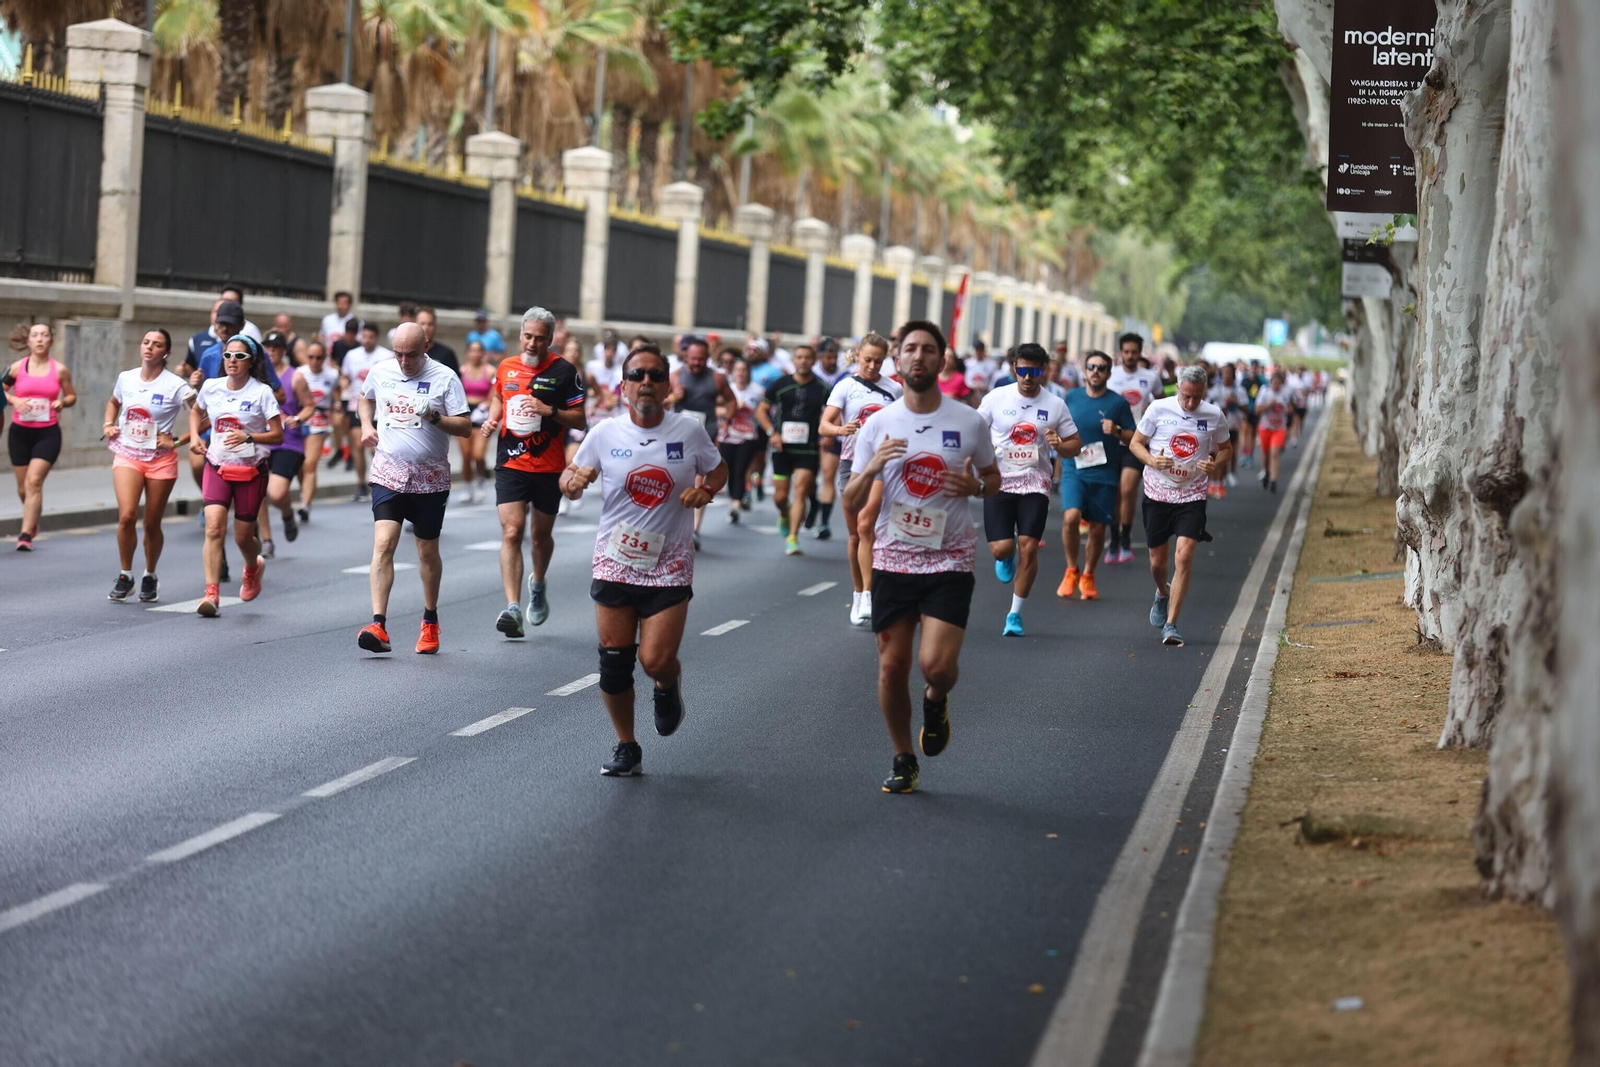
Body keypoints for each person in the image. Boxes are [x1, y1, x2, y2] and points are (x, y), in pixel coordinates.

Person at [844, 320, 1000, 794]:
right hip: (892, 561)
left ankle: (936, 700)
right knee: (891, 667)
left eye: (928, 349)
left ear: (942, 359)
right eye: (909, 349)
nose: (918, 356)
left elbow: (994, 479)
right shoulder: (879, 424)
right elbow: (850, 501)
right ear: (897, 361)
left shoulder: (969, 420)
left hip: (949, 559)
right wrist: (871, 466)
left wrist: (975, 486)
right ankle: (903, 756)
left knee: (937, 667)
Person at [559, 342, 728, 777]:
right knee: (614, 663)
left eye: (655, 375)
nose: (646, 382)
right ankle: (626, 746)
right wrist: (572, 482)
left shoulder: (689, 430)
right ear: (623, 386)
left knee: (653, 660)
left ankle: (666, 683)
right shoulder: (604, 434)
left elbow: (718, 467)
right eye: (638, 376)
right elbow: (572, 474)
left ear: (668, 387)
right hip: (615, 559)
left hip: (669, 562)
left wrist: (705, 490)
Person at [355, 323, 472, 655]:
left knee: (426, 552)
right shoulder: (381, 370)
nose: (404, 361)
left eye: (411, 355)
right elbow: (365, 398)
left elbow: (465, 427)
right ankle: (378, 624)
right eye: (398, 354)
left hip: (430, 478)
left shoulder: (445, 377)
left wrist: (434, 417)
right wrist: (366, 425)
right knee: (383, 544)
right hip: (388, 471)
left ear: (427, 347)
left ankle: (430, 619)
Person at [481, 307, 586, 638]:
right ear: (521, 335)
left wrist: (548, 410)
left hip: (549, 466)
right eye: (528, 336)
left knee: (540, 537)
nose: (532, 343)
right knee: (512, 532)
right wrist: (493, 417)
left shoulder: (564, 371)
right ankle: (513, 607)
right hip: (511, 462)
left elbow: (580, 419)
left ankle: (537, 583)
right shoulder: (506, 366)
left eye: (540, 338)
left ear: (550, 339)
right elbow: (500, 395)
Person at [977, 342, 1081, 636]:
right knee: (1002, 548)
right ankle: (1004, 554)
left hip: (1035, 482)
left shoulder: (1055, 405)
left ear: (1043, 371)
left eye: (1034, 371)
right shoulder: (997, 398)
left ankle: (1014, 615)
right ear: (1014, 369)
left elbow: (1076, 444)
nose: (1027, 377)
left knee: (1030, 547)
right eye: (1022, 370)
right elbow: (974, 429)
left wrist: (1060, 445)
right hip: (999, 479)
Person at [1130, 364, 1232, 647]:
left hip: (1192, 495)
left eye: (1195, 398)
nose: (1189, 403)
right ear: (1177, 387)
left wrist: (1214, 464)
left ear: (1203, 393)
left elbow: (1226, 449)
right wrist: (1152, 461)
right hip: (1157, 493)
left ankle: (1172, 625)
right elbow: (1136, 444)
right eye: (1186, 396)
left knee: (1184, 557)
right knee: (1157, 562)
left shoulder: (1213, 415)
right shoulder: (1158, 409)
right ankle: (1162, 592)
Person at [189, 336, 282, 615]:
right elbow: (196, 411)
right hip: (217, 464)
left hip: (251, 470)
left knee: (243, 536)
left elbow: (278, 435)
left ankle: (253, 567)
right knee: (214, 527)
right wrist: (194, 436)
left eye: (240, 356)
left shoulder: (262, 392)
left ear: (252, 361)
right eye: (228, 355)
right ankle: (211, 594)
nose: (232, 361)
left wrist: (249, 436)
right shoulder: (211, 386)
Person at [104, 329, 191, 600]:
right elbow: (114, 401)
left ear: (166, 353)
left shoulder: (175, 385)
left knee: (152, 523)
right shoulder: (126, 378)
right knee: (127, 515)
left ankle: (150, 575)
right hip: (127, 453)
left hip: (160, 461)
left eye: (156, 345)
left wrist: (177, 441)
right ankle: (125, 574)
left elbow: (205, 416)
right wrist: (108, 423)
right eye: (146, 342)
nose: (149, 348)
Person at [820, 332, 900, 625]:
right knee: (855, 535)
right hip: (851, 464)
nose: (872, 366)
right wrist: (841, 430)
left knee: (867, 527)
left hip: (882, 466)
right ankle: (858, 593)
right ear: (858, 356)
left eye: (879, 361)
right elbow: (824, 425)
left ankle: (869, 593)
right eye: (868, 359)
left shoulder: (895, 389)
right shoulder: (845, 386)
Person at [1058, 351, 1135, 601]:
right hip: (1074, 468)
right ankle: (1072, 569)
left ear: (1109, 373)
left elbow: (1135, 438)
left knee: (1098, 527)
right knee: (1071, 517)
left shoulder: (1118, 403)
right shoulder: (1071, 397)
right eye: (1091, 367)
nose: (1095, 372)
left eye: (1101, 368)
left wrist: (1118, 430)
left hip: (1104, 471)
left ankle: (1089, 574)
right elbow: (1056, 424)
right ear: (1084, 370)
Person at [5, 321, 76, 551]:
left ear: (51, 341)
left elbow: (72, 395)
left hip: (47, 433)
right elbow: (1, 390)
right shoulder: (16, 368)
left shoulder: (60, 369)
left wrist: (62, 402)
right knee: (24, 488)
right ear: (28, 341)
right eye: (35, 335)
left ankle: (25, 534)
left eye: (44, 335)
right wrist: (15, 400)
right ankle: (33, 516)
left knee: (34, 482)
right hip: (19, 433)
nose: (39, 339)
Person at [756, 343, 828, 556]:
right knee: (780, 497)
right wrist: (772, 433)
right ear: (794, 361)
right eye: (799, 357)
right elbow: (761, 411)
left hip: (808, 450)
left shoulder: (822, 388)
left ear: (814, 361)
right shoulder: (780, 384)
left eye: (807, 357)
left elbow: (832, 413)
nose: (803, 361)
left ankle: (793, 537)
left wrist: (827, 434)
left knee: (801, 491)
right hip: (783, 448)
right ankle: (784, 515)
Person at [668, 335, 735, 547]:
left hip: (706, 434)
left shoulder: (717, 378)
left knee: (700, 481)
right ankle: (675, 524)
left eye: (701, 359)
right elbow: (657, 404)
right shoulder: (675, 376)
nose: (696, 363)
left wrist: (726, 420)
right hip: (677, 437)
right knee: (676, 478)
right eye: (693, 359)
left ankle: (694, 530)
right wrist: (672, 398)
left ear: (708, 357)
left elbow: (732, 400)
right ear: (685, 356)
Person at [1107, 332, 1164, 565]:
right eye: (1126, 352)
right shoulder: (1110, 375)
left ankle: (1126, 538)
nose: (1130, 356)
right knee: (1113, 493)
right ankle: (1113, 539)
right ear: (1120, 353)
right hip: (1110, 442)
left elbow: (1163, 401)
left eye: (1134, 352)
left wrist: (1153, 410)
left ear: (1141, 353)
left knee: (1127, 489)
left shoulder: (1150, 377)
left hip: (1136, 442)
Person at [257, 331, 314, 558]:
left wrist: (297, 419)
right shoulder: (257, 377)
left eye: (276, 347)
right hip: (261, 440)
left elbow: (309, 405)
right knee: (259, 491)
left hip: (288, 441)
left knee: (277, 493)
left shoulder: (295, 377)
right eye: (268, 347)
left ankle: (287, 514)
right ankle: (267, 540)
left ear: (283, 351)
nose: (272, 351)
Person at [341, 321, 392, 500]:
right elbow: (344, 376)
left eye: (371, 337)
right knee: (358, 446)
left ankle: (380, 481)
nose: (367, 340)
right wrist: (343, 384)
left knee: (375, 449)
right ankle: (362, 484)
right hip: (357, 405)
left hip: (379, 409)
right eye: (364, 336)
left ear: (376, 338)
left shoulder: (386, 356)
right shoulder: (351, 355)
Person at [717, 357, 765, 525]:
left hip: (748, 436)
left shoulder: (758, 391)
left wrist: (751, 411)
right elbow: (715, 409)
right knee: (727, 468)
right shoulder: (726, 389)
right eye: (738, 370)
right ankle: (736, 497)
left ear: (749, 373)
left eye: (744, 370)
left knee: (740, 469)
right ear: (733, 372)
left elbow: (764, 412)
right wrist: (731, 408)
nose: (741, 373)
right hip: (728, 435)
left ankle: (736, 505)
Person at [457, 340, 494, 503]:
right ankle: (467, 486)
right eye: (472, 350)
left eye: (478, 350)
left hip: (482, 413)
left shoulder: (490, 371)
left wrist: (486, 406)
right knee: (466, 455)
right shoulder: (462, 371)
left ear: (483, 353)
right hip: (465, 412)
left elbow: (495, 396)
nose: (475, 354)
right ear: (467, 353)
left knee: (478, 454)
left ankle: (480, 480)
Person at [1207, 363, 1248, 498]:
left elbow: (1246, 409)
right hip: (1217, 426)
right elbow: (1210, 407)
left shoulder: (1239, 390)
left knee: (1230, 451)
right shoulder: (1215, 390)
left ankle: (1229, 474)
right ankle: (1217, 481)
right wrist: (1222, 407)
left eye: (1229, 373)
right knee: (1217, 453)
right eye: (1224, 372)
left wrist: (1234, 402)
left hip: (1233, 425)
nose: (1226, 375)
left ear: (1234, 375)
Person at [1253, 368, 1294, 493]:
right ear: (1270, 382)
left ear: (1281, 383)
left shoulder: (1286, 394)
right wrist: (1269, 405)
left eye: (1278, 382)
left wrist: (1288, 410)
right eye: (1274, 382)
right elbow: (1257, 410)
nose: (1276, 385)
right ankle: (1266, 472)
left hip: (1279, 428)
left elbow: (1291, 409)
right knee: (1265, 453)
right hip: (1265, 427)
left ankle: (1273, 480)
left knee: (1275, 453)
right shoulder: (1265, 392)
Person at [414, 306, 459, 376]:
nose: (426, 328)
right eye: (422, 323)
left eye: (430, 324)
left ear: (435, 326)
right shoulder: (408, 353)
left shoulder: (447, 354)